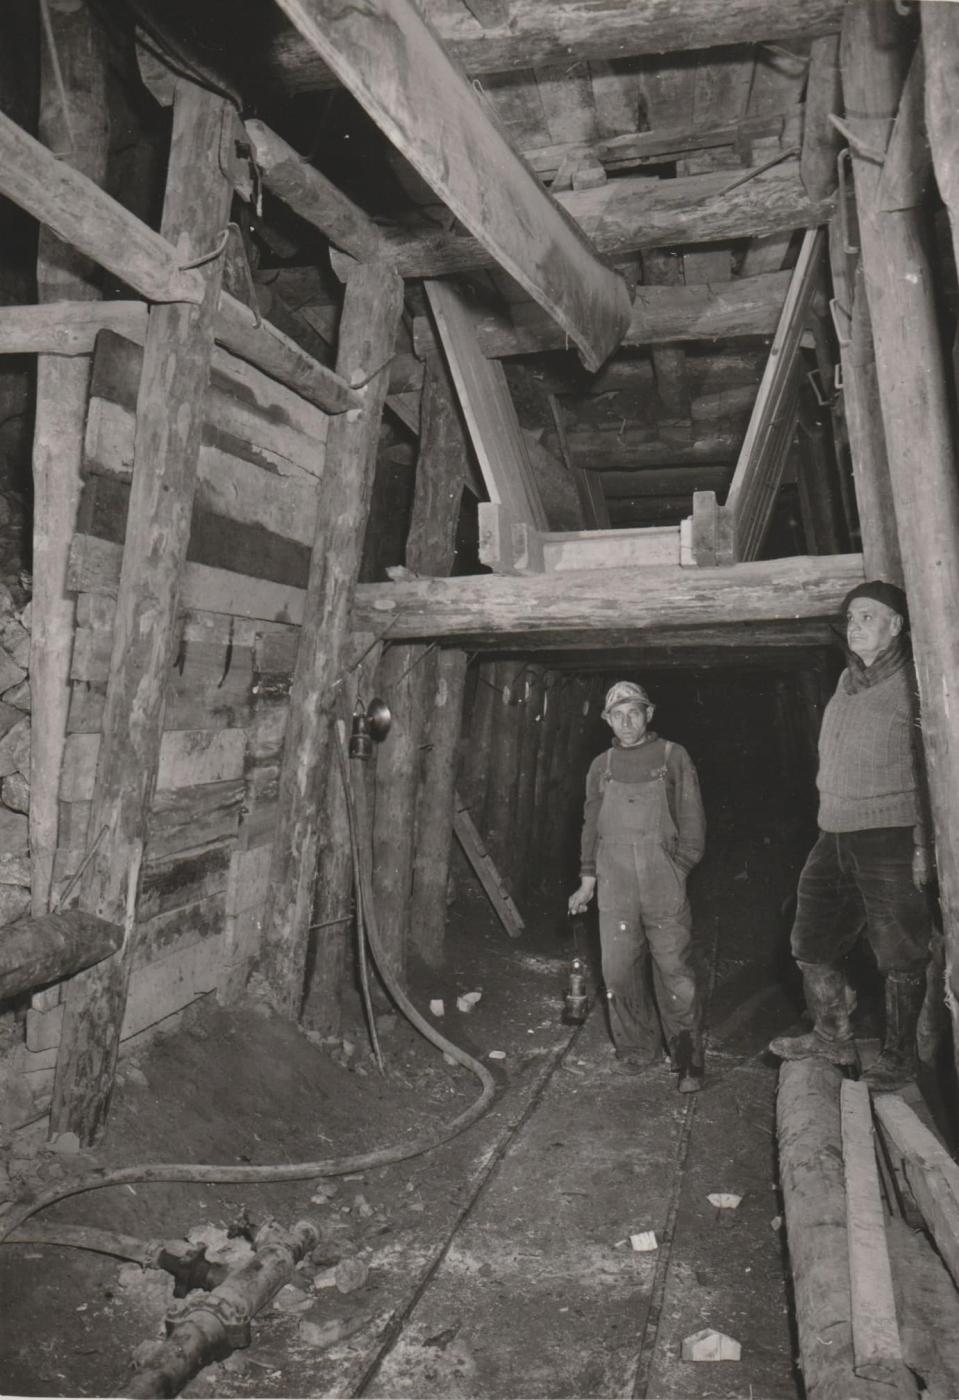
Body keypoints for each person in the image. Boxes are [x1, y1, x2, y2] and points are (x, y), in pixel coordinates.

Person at [769, 580, 934, 1092]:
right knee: (811, 939)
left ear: (896, 626)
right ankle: (832, 1036)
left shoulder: (914, 682)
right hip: (834, 831)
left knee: (900, 950)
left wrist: (924, 845)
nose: (855, 626)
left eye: (868, 617)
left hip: (889, 834)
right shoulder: (847, 680)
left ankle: (900, 1058)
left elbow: (934, 769)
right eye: (851, 618)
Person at [568, 681, 706, 1092]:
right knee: (617, 971)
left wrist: (679, 868)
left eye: (634, 713)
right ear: (607, 720)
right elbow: (591, 825)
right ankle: (636, 1048)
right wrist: (587, 882)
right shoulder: (602, 765)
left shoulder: (672, 756)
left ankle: (687, 1059)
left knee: (674, 970)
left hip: (662, 879)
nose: (626, 722)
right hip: (615, 882)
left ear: (649, 714)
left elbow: (693, 821)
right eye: (618, 715)